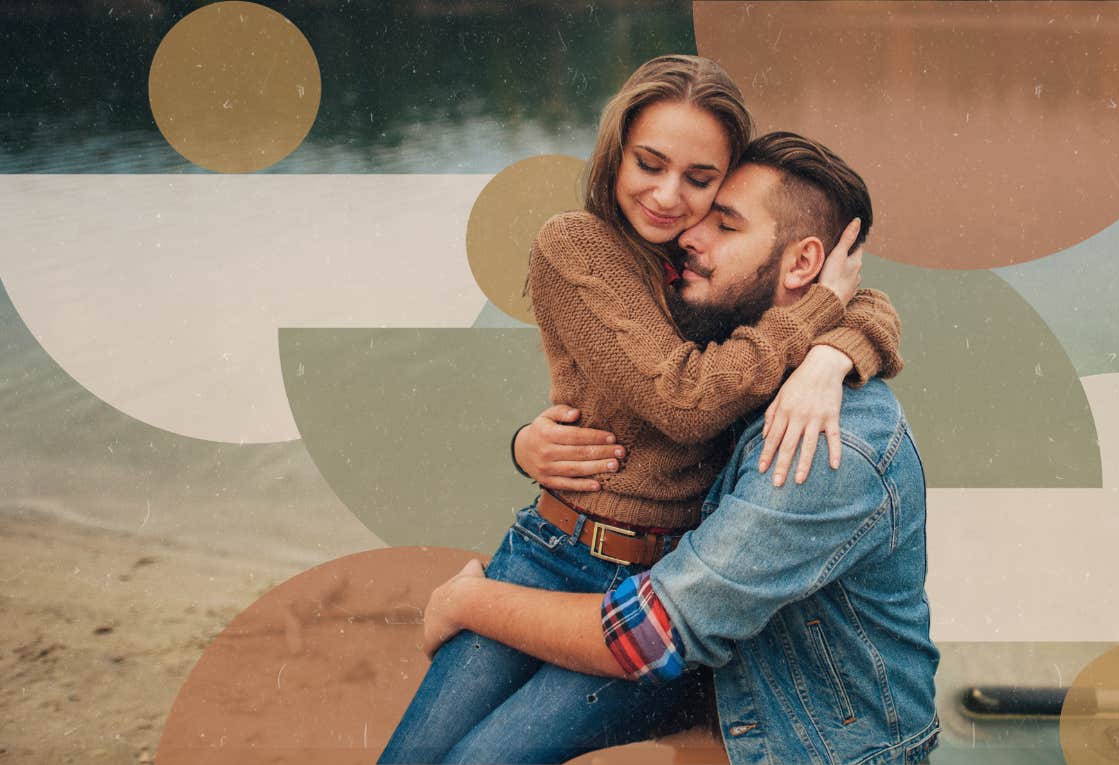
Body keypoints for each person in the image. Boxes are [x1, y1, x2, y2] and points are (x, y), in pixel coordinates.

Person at [377, 55, 903, 764]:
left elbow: (857, 301)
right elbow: (681, 398)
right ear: (614, 153)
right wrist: (521, 443)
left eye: (701, 181)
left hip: (667, 578)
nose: (668, 197)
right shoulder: (578, 247)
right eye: (648, 163)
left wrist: (829, 356)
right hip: (552, 555)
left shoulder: (713, 274)